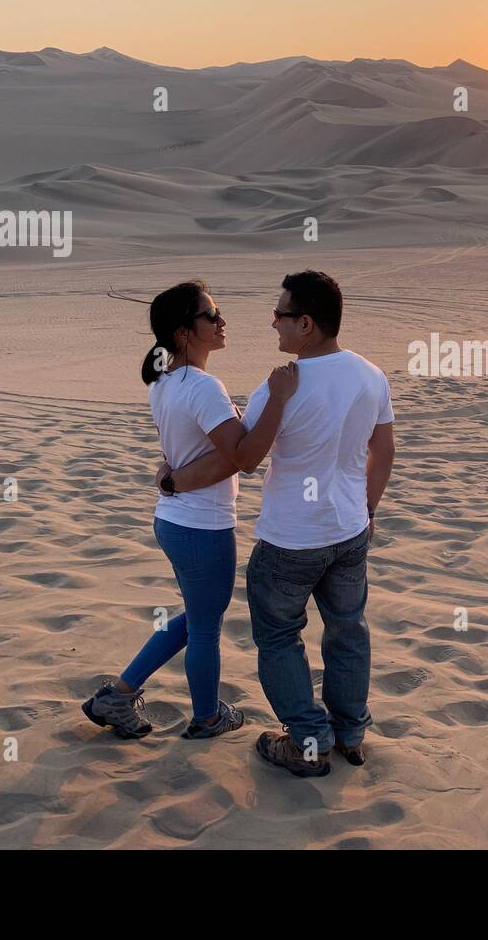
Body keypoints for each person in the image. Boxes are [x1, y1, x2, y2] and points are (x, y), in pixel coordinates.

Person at [165, 270, 395, 776]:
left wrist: (174, 479)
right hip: (350, 531)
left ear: (307, 324)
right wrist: (369, 509)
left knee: (277, 637)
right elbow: (384, 449)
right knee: (347, 631)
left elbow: (240, 457)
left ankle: (309, 740)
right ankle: (350, 732)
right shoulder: (371, 375)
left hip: (291, 538)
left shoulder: (279, 387)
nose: (273, 323)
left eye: (281, 314)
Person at [82, 280, 298, 739]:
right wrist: (278, 400)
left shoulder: (164, 381)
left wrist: (174, 476)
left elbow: (200, 455)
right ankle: (207, 718)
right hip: (202, 527)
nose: (222, 322)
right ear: (183, 333)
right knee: (204, 628)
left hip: (176, 520)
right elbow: (243, 457)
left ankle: (118, 695)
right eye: (211, 316)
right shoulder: (202, 387)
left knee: (198, 617)